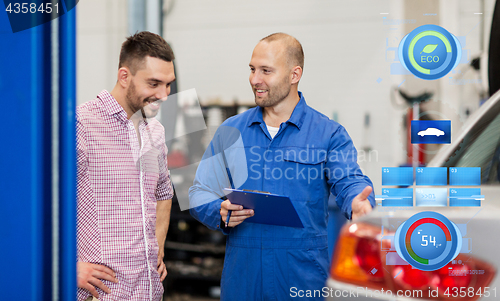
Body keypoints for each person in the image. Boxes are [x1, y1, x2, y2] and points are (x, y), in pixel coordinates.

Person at [189, 33, 376, 300]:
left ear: (294, 74)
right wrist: (217, 211)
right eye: (252, 69)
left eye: (266, 70)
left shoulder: (328, 134)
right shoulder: (231, 131)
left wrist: (358, 203)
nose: (255, 79)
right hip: (243, 279)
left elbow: (349, 180)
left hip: (302, 279)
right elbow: (199, 191)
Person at [76, 31, 176, 301]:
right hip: (100, 293)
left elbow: (163, 193)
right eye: (154, 83)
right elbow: (40, 205)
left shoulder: (155, 131)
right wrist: (67, 267)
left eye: (168, 85)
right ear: (124, 76)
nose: (164, 95)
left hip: (146, 290)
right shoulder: (81, 124)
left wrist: (157, 247)